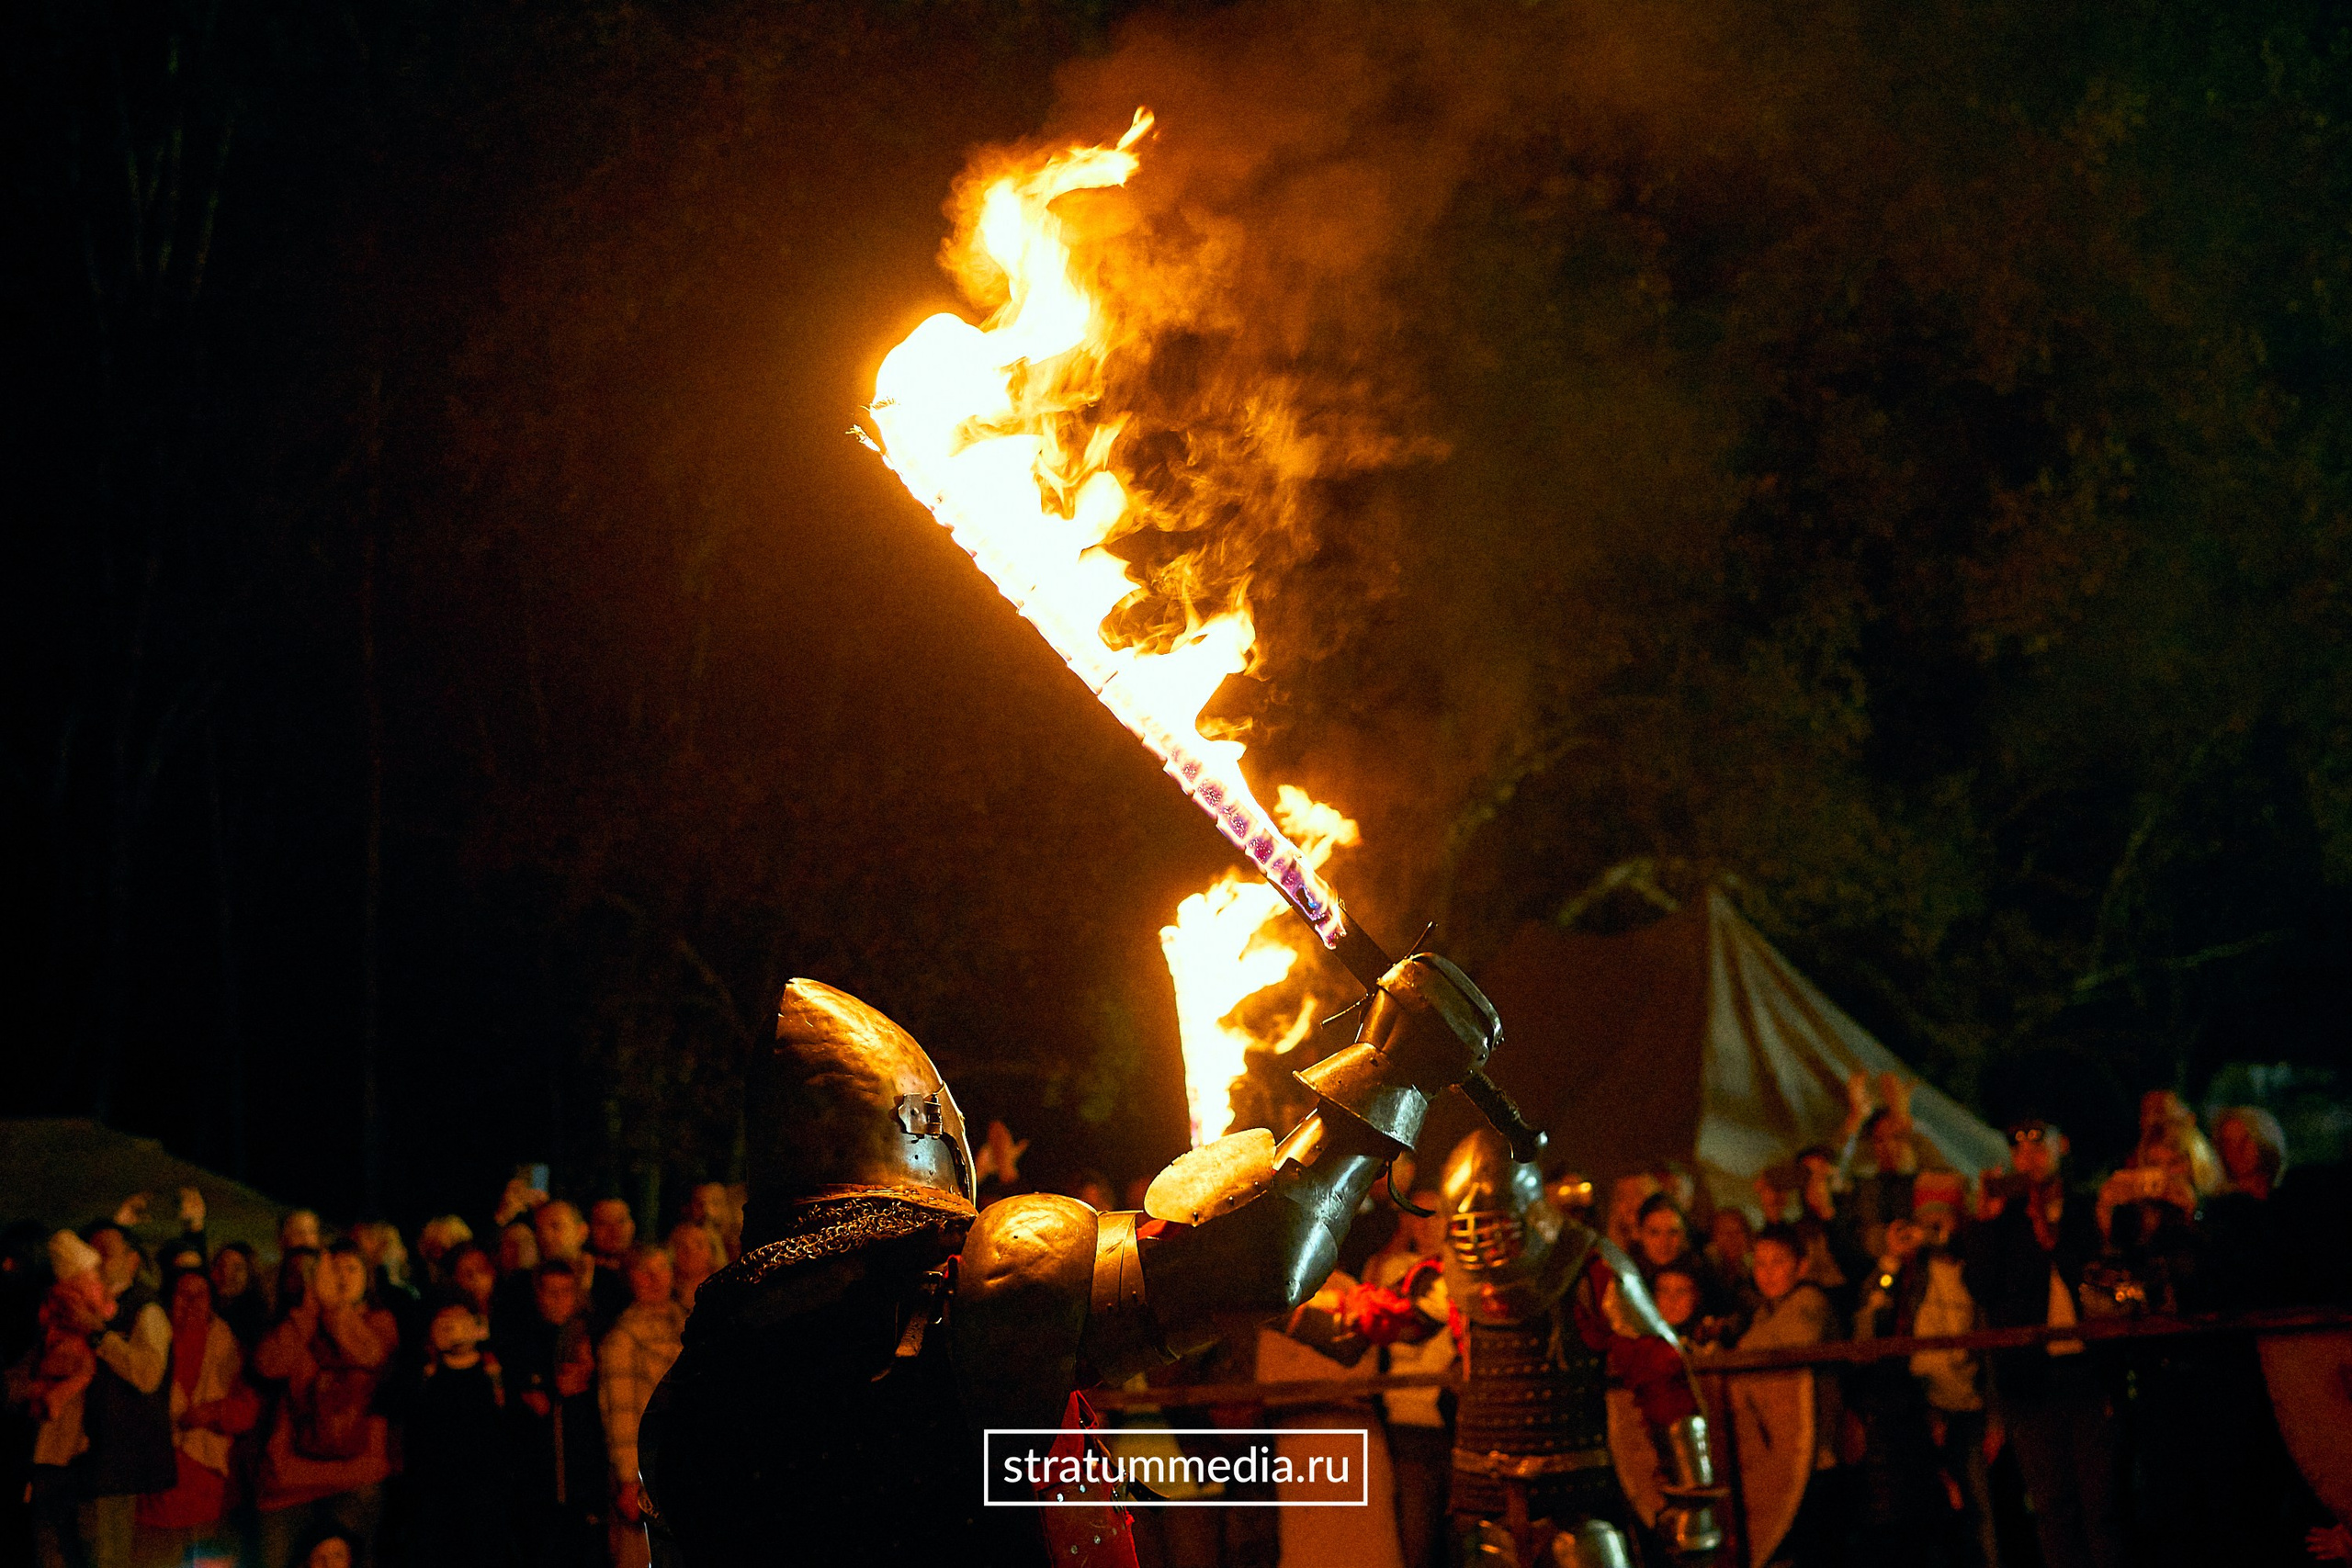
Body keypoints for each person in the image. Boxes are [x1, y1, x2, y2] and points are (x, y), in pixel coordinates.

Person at [640, 961, 1508, 1562]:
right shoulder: (973, 1290)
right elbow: (1266, 1254)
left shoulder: (687, 1395)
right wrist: (1395, 1061)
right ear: (920, 1132)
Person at [1289, 1131, 1722, 1568]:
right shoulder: (1454, 1280)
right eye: (1469, 1226)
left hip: (1574, 1505)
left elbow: (1662, 1375)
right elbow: (1369, 1321)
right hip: (1483, 1505)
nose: (1482, 1239)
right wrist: (1281, 1303)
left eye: (1495, 1223)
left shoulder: (1589, 1268)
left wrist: (1692, 1501)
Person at [1964, 1120, 2120, 1568]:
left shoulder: (2086, 1208)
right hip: (2030, 1379)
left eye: (2038, 1143)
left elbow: (2099, 1280)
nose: (2028, 1154)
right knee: (2052, 1505)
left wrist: (2056, 1237)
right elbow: (1982, 1287)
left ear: (2061, 1145)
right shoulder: (2003, 1219)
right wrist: (1984, 1223)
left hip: (2088, 1374)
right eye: (2018, 1146)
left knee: (2102, 1503)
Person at [9, 1229, 175, 1568]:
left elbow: (146, 1375)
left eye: (107, 1251)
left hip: (107, 1468)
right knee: (52, 1554)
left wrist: (97, 1332)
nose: (97, 1257)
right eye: (92, 1248)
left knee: (100, 1558)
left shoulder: (145, 1310)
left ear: (132, 1260)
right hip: (54, 1460)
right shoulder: (63, 1304)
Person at [253, 1239, 398, 1568]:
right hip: (289, 1481)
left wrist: (333, 1308)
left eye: (351, 1268)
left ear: (368, 1277)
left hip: (355, 1478)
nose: (342, 1278)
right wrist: (308, 1310)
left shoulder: (381, 1322)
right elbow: (270, 1364)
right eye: (333, 1270)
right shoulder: (295, 1321)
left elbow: (368, 1355)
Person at [132, 1259, 258, 1564]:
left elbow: (249, 1410)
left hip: (211, 1498)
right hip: (154, 1502)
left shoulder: (230, 1348)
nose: (191, 1302)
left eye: (200, 1294)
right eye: (182, 1294)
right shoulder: (147, 1344)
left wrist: (214, 1412)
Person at [1735, 1224, 1843, 1568]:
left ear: (1802, 1266)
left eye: (1778, 1262)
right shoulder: (1765, 1312)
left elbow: (1786, 1341)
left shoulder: (1809, 1301)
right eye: (1760, 1263)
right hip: (1785, 1454)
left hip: (1816, 1454)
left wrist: (1736, 1353)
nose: (1767, 1273)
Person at [505, 1262, 606, 1568]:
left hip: (586, 1477)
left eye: (566, 1292)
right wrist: (553, 1389)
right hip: (539, 1482)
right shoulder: (524, 1342)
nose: (558, 1300)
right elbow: (530, 1402)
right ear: (538, 1295)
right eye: (551, 1292)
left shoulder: (593, 1336)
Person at [405, 1303, 511, 1568]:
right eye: (445, 1324)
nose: (454, 1330)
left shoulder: (493, 1368)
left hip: (486, 1483)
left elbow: (503, 1420)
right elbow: (417, 1424)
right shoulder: (426, 1372)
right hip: (439, 1486)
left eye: (460, 1322)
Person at [597, 1246, 684, 1568]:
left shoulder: (686, 1322)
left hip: (684, 1465)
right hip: (650, 1473)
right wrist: (629, 1479)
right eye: (644, 1270)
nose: (654, 1278)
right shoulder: (623, 1339)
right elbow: (621, 1413)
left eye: (661, 1268)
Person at [583, 1202, 637, 1333]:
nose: (614, 1230)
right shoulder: (583, 1270)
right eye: (603, 1223)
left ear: (632, 1225)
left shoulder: (648, 1266)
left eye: (621, 1221)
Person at [209, 1243, 267, 1349]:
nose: (226, 1273)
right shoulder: (204, 1312)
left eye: (237, 1268)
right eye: (221, 1265)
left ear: (250, 1276)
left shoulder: (258, 1325)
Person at [662, 1224, 720, 1314]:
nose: (691, 1251)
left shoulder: (725, 1289)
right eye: (682, 1245)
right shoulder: (666, 1295)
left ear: (711, 1252)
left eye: (699, 1245)